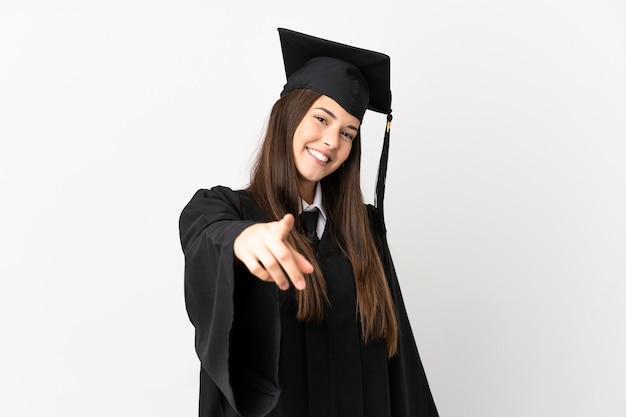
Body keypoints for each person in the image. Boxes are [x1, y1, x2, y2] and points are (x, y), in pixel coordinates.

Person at [179, 28, 439, 417]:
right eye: (322, 118)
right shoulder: (228, 210)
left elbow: (400, 367)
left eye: (348, 133)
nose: (332, 141)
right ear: (289, 113)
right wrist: (243, 240)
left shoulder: (363, 233)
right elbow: (205, 233)